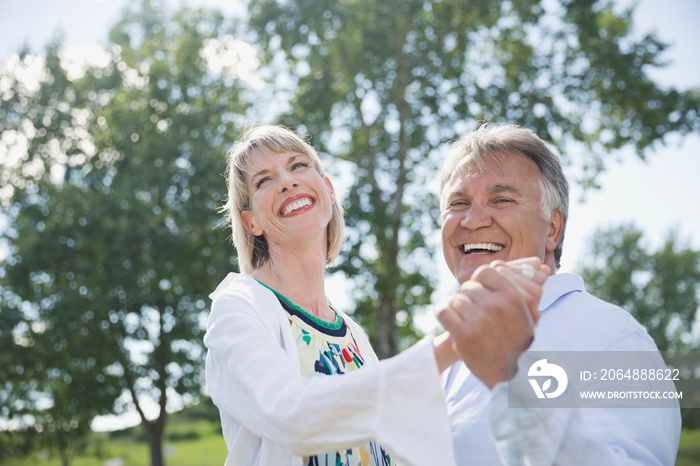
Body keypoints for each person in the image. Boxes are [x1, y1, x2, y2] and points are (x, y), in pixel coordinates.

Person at [203, 125, 548, 466]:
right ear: (251, 223)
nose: (287, 182)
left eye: (298, 165)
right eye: (264, 180)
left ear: (328, 190)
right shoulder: (238, 307)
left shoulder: (351, 332)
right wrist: (454, 343)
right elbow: (291, 415)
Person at [435, 124, 682, 465]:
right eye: (458, 202)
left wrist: (512, 376)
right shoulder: (445, 357)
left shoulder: (617, 338)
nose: (472, 219)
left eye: (502, 199)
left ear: (552, 229)